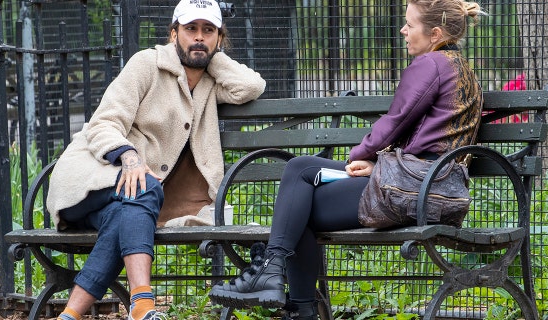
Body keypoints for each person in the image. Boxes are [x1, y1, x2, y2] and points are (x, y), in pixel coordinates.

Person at [208, 0, 485, 319]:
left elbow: (393, 122)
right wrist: (378, 165)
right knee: (301, 173)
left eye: (409, 24)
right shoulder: (461, 69)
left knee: (301, 201)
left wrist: (362, 155)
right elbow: (428, 138)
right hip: (431, 187)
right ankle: (282, 284)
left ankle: (282, 285)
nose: (403, 30)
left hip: (413, 191)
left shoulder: (430, 64)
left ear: (435, 33)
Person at [45, 0, 266, 319]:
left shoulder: (209, 83)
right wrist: (130, 157)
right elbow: (104, 122)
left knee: (125, 215)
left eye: (209, 31)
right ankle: (143, 305)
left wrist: (211, 57)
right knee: (142, 189)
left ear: (220, 38)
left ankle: (69, 315)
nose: (199, 37)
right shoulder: (146, 64)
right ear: (174, 33)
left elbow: (251, 86)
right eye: (191, 29)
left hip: (129, 201)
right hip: (91, 179)